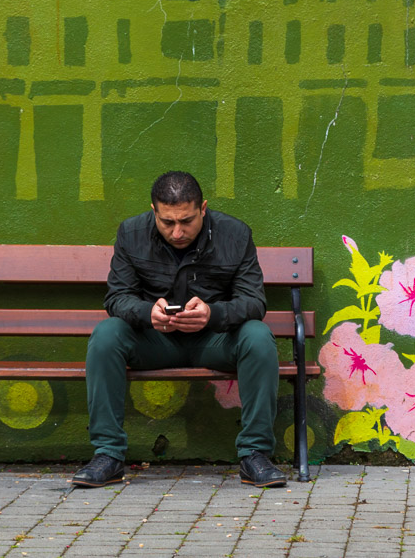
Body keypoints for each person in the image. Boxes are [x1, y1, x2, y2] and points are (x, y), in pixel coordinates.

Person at [72, 171, 287, 489]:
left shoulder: (235, 234)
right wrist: (148, 313)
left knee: (257, 336)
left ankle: (255, 455)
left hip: (215, 340)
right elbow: (117, 299)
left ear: (203, 208)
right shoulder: (131, 233)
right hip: (155, 340)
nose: (177, 232)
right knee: (106, 335)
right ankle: (108, 456)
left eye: (186, 221)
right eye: (167, 222)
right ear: (153, 210)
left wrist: (213, 313)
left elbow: (254, 303)